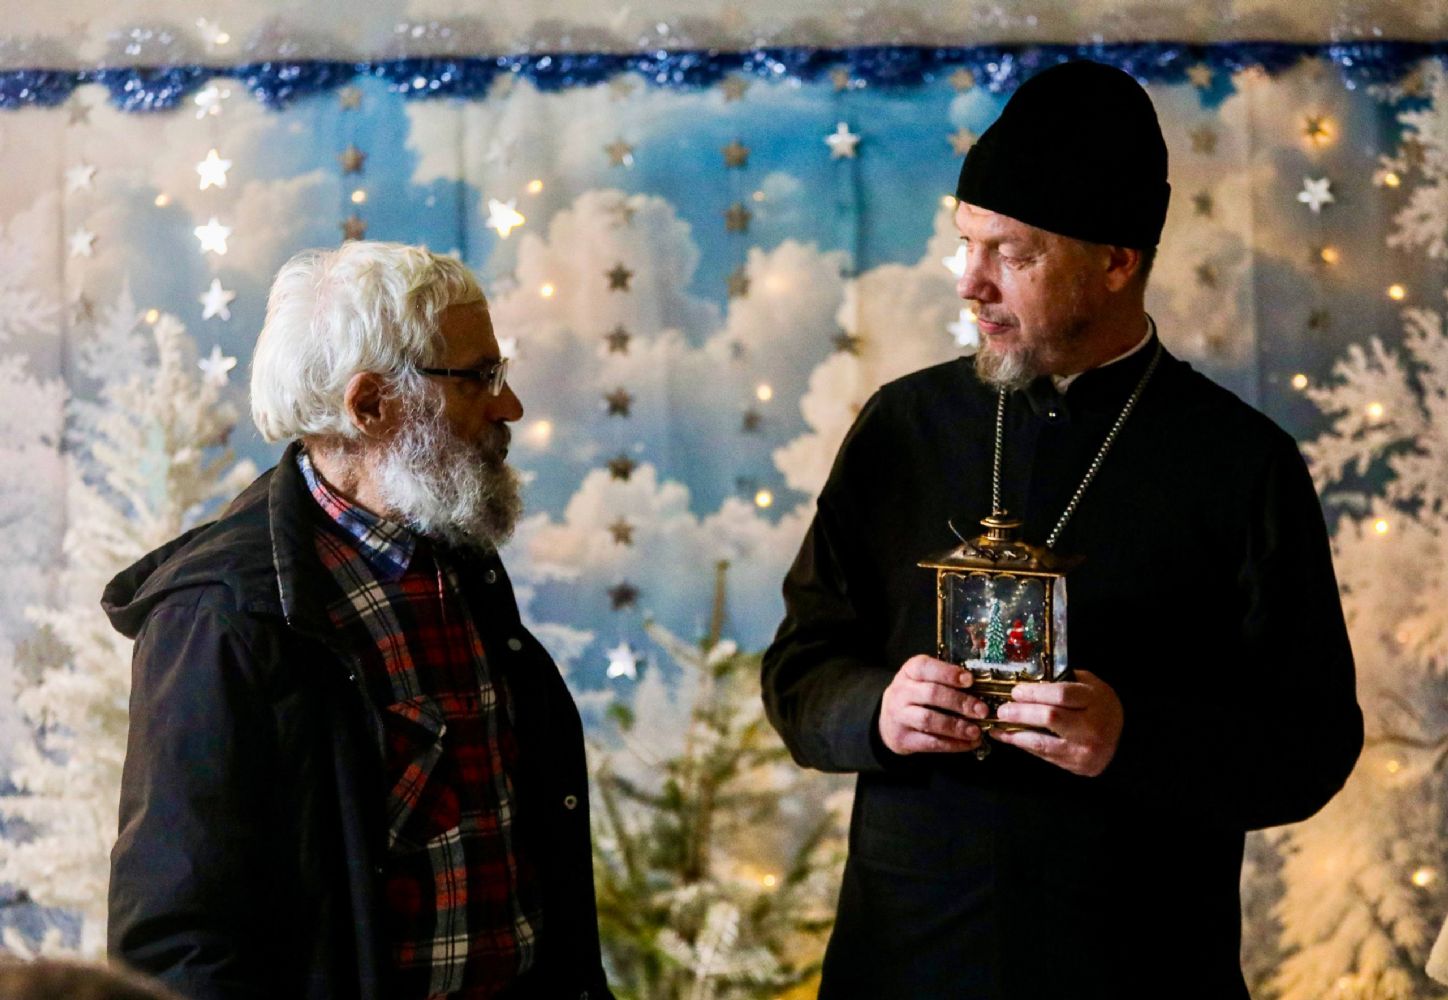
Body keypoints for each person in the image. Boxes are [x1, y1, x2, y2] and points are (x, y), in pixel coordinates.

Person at [761, 61, 1362, 998]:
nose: (971, 284)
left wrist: (1133, 738)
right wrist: (877, 711)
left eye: (1013, 254)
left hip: (1138, 970)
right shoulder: (902, 428)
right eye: (966, 244)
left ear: (1116, 262)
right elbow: (799, 670)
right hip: (909, 960)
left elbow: (1311, 747)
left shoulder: (1242, 462)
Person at [104, 242, 611, 1000]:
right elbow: (177, 944)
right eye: (479, 377)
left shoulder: (452, 552)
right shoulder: (220, 617)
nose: (509, 406)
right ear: (370, 405)